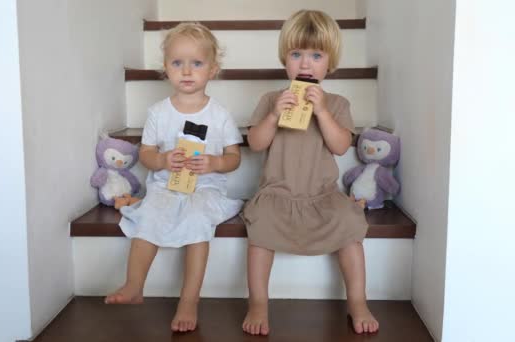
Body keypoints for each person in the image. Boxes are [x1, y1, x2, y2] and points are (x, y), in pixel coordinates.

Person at [241, 10, 380, 335]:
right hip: (278, 193)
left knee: (349, 224)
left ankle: (357, 301)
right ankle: (258, 302)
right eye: (297, 54)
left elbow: (341, 145)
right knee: (260, 229)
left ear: (329, 62)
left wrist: (320, 112)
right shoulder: (272, 99)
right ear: (285, 59)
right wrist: (275, 115)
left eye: (316, 55)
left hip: (321, 196)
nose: (305, 64)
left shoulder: (336, 103)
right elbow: (256, 143)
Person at [104, 22, 243, 333]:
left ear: (213, 70)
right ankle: (134, 285)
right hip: (165, 185)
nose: (187, 71)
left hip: (205, 189)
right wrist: (163, 159)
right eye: (177, 63)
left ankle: (189, 299)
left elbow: (235, 158)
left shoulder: (219, 115)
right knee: (150, 215)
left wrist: (215, 162)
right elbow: (147, 154)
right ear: (166, 69)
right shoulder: (158, 112)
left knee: (197, 220)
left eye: (197, 63)